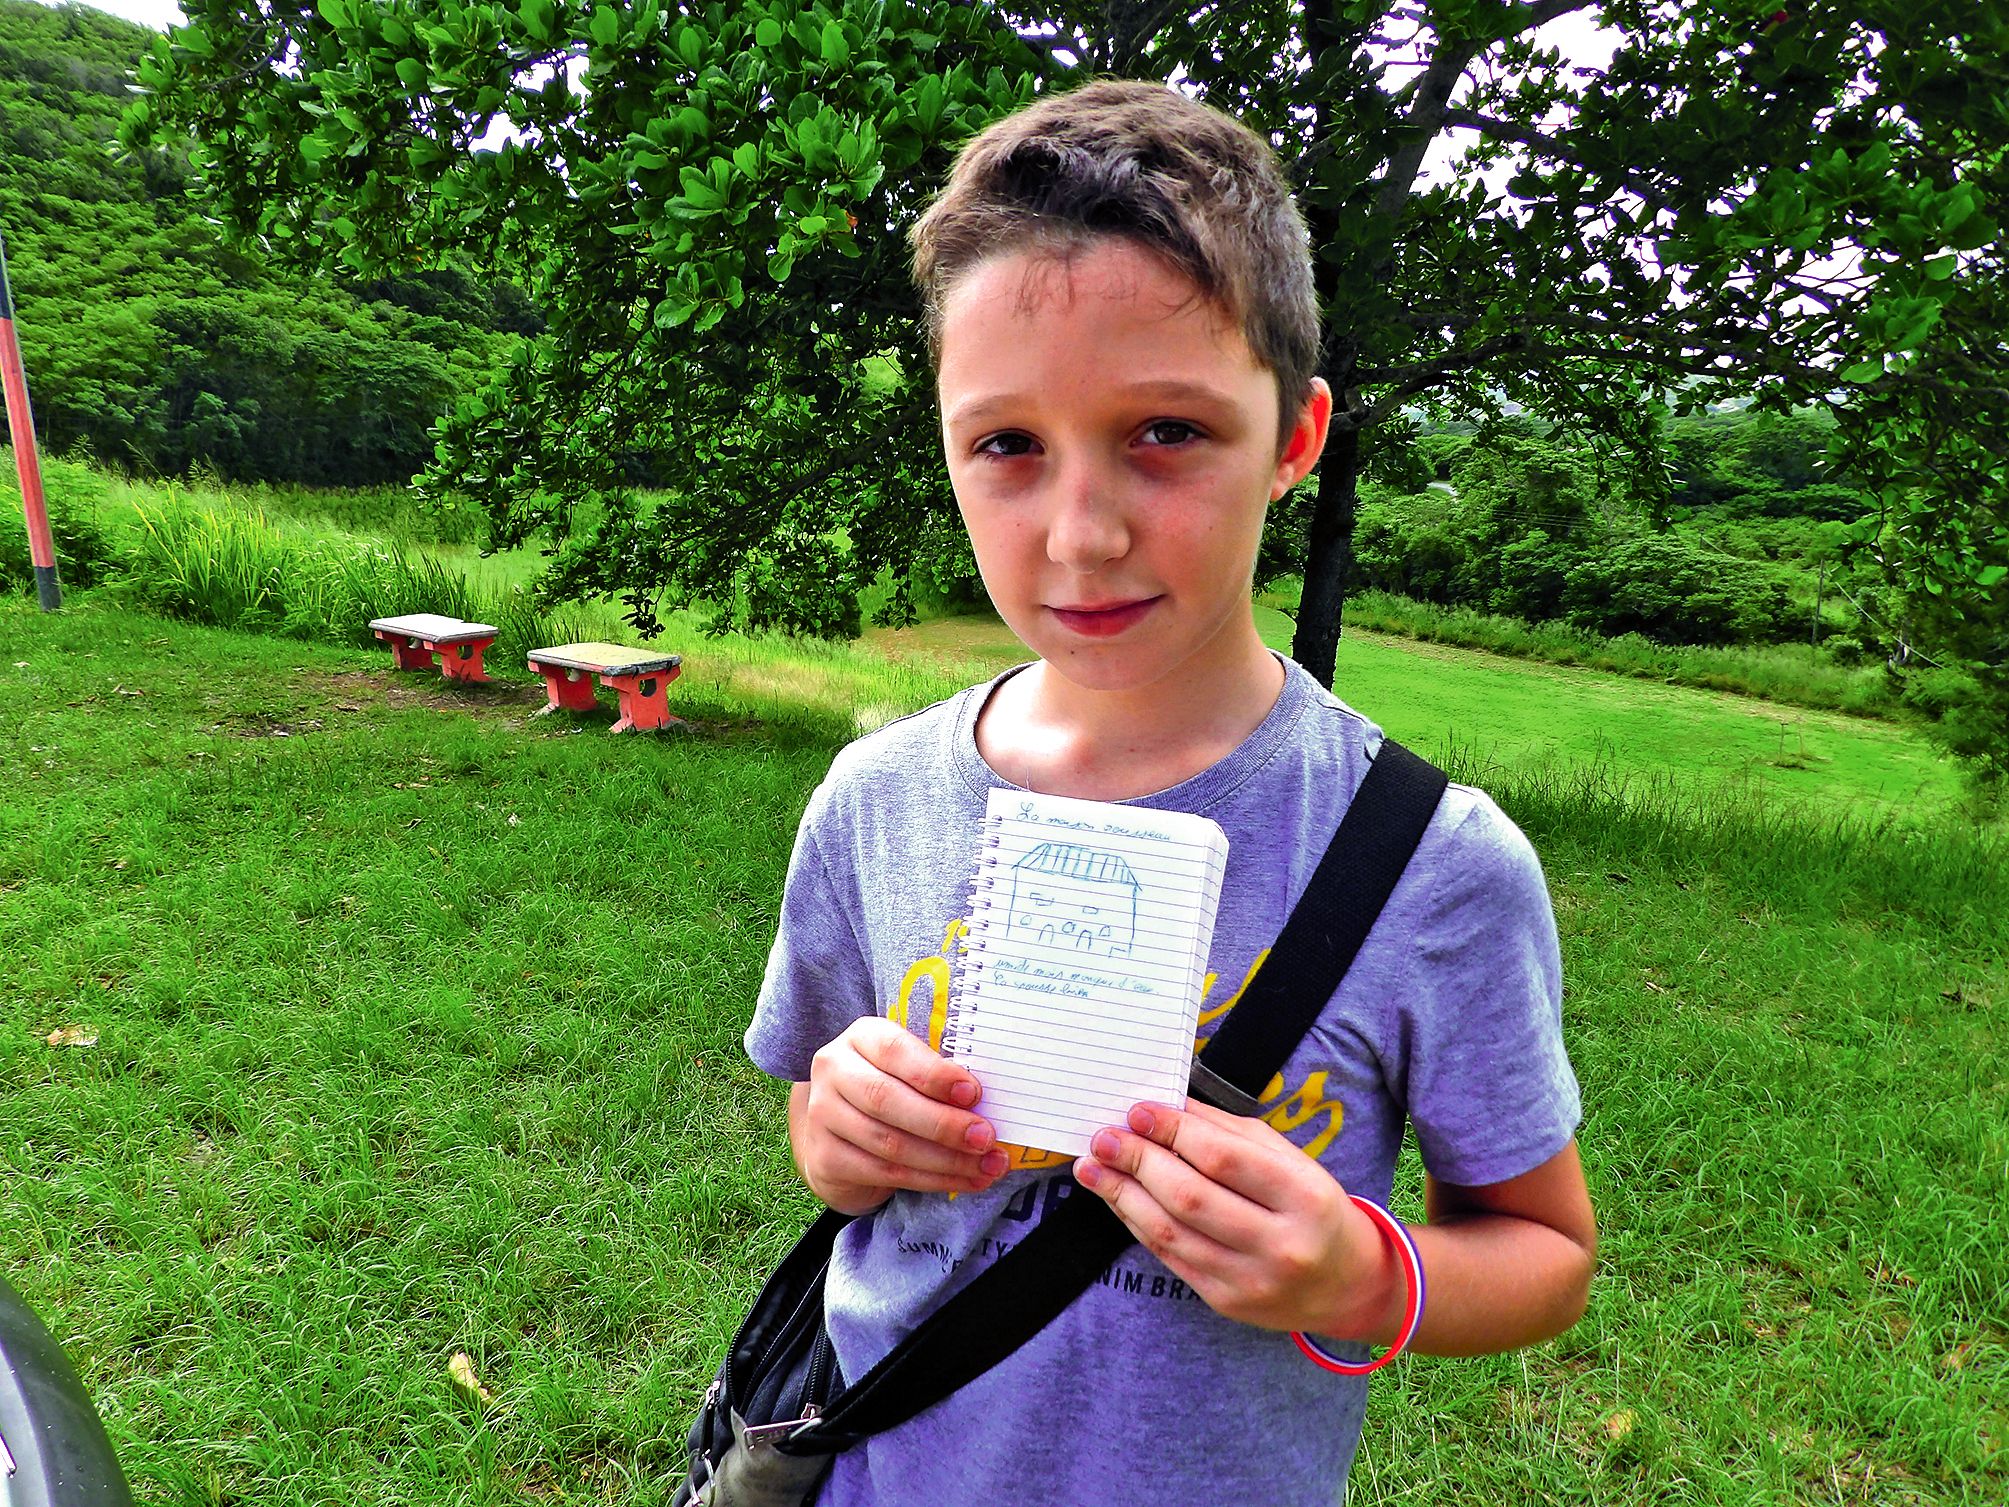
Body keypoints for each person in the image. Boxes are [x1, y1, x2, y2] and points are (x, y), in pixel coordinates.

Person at [744, 79, 1596, 1503]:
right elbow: (825, 1151)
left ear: (1296, 440)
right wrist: (839, 1140)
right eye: (1006, 444)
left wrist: (1352, 1274)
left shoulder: (1434, 865)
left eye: (1167, 433)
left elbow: (1543, 1254)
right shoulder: (872, 797)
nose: (1079, 534)